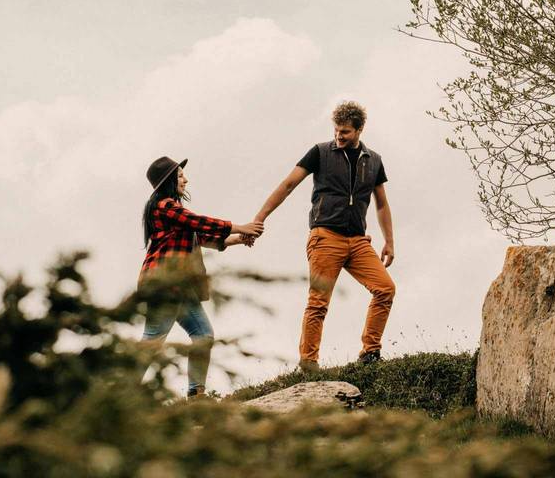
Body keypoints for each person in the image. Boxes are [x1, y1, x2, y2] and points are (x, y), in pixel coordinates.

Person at [251, 101, 395, 371]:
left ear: (360, 130)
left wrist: (389, 241)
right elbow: (288, 184)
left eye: (346, 132)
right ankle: (308, 363)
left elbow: (381, 203)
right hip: (325, 237)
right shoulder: (320, 153)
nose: (339, 136)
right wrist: (260, 217)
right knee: (318, 302)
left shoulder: (373, 161)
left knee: (385, 289)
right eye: (337, 131)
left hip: (358, 241)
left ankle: (370, 353)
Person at [139, 156, 263, 398]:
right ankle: (119, 395)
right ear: (168, 182)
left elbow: (201, 236)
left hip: (180, 287)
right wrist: (239, 227)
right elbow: (198, 222)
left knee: (203, 335)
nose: (186, 179)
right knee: (152, 341)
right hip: (163, 283)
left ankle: (196, 395)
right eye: (180, 176)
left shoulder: (174, 212)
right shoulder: (164, 206)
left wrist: (240, 238)